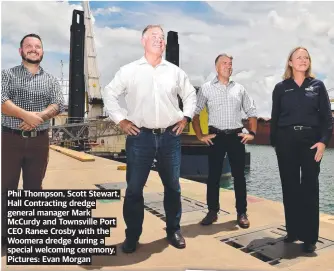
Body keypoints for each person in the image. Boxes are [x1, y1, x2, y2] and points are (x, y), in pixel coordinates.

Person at [102, 25, 197, 253]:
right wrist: (121, 120)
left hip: (170, 137)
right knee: (134, 189)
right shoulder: (129, 70)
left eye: (162, 38)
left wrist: (185, 117)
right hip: (140, 137)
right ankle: (132, 236)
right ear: (143, 41)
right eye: (154, 36)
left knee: (173, 187)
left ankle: (173, 229)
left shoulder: (174, 72)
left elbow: (190, 94)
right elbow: (109, 93)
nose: (159, 40)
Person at [1, 34, 65, 243]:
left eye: (37, 46)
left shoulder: (51, 80)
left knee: (34, 187)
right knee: (6, 187)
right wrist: (25, 115)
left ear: (42, 52)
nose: (33, 49)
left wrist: (38, 118)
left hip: (39, 141)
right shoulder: (7, 75)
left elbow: (58, 104)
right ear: (20, 51)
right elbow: (2, 101)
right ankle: (4, 234)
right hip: (10, 139)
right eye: (28, 46)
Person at [270, 47, 333, 253]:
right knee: (290, 187)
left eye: (306, 57)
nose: (303, 60)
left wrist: (323, 142)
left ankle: (309, 237)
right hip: (286, 141)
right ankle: (293, 231)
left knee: (309, 188)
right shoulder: (281, 87)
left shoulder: (317, 85)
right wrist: (276, 143)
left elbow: (327, 118)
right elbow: (275, 116)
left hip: (311, 142)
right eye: (299, 57)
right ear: (290, 62)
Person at [192, 53, 257, 229]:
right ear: (216, 67)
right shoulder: (206, 89)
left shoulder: (240, 89)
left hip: (236, 137)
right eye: (224, 63)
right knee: (213, 176)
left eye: (230, 64)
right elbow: (195, 114)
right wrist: (200, 135)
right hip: (216, 137)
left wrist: (252, 133)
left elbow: (251, 112)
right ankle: (212, 211)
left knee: (239, 177)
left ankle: (241, 213)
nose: (228, 66)